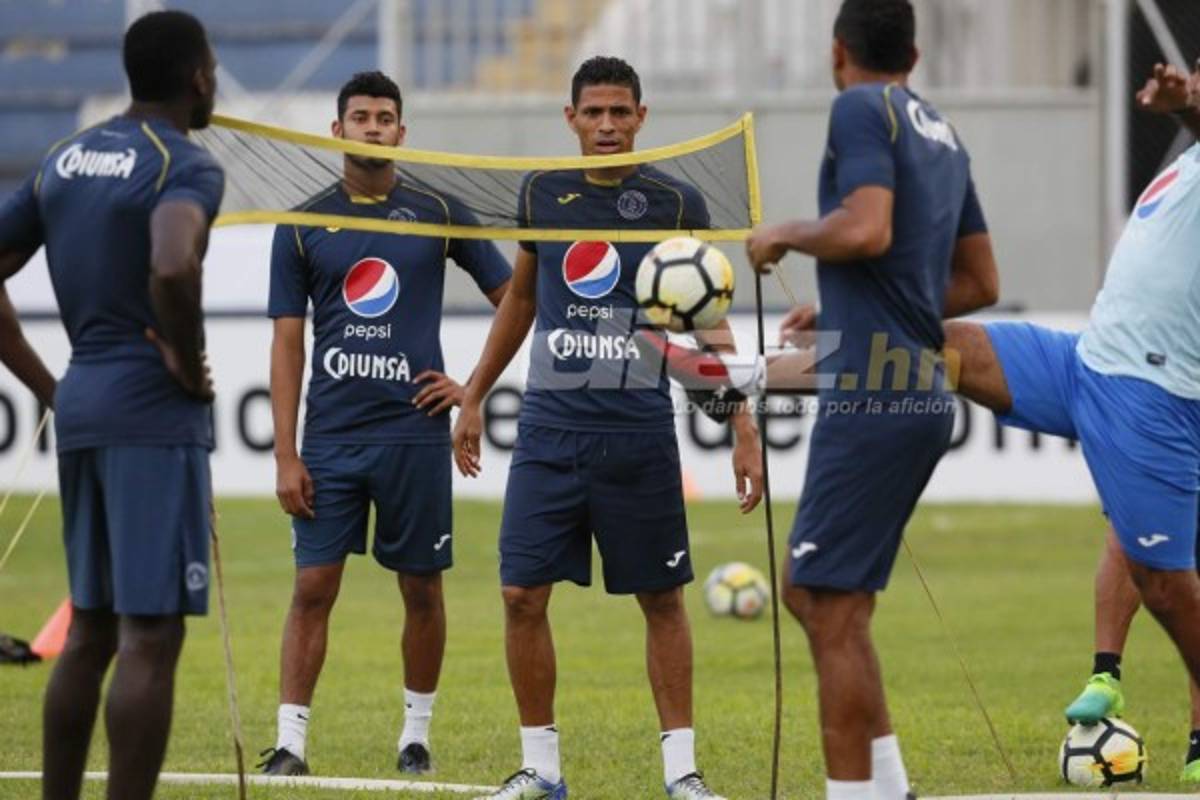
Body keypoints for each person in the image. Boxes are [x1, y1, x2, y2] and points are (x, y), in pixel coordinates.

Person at [452, 55, 763, 800]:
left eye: (621, 111)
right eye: (593, 112)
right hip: (548, 432)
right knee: (520, 595)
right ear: (571, 119)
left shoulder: (675, 202)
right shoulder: (541, 192)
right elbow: (521, 300)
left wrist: (742, 422)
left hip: (638, 433)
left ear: (641, 117)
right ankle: (541, 769)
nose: (607, 125)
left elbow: (705, 317)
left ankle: (682, 775)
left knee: (662, 600)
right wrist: (473, 393)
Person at [744, 1, 999, 798]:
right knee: (815, 593)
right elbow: (980, 282)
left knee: (828, 604)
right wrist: (847, 308)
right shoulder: (942, 131)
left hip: (878, 394)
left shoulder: (860, 107)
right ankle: (889, 787)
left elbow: (866, 230)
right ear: (914, 56)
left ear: (837, 51)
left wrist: (784, 232)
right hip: (915, 383)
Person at [942, 59, 1200, 781]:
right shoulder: (1185, 166)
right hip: (1085, 362)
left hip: (1155, 396)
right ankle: (1106, 674)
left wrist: (1185, 105)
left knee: (1168, 582)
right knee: (936, 343)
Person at [258, 71, 511, 777]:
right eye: (361, 117)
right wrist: (285, 454)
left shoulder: (439, 210)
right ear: (337, 130)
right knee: (313, 588)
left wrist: (473, 390)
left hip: (414, 436)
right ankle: (291, 745)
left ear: (402, 131)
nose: (373, 127)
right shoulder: (302, 223)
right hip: (331, 440)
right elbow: (287, 343)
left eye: (385, 118)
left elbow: (515, 298)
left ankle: (415, 738)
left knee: (422, 589)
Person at [0, 11, 223, 800]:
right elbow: (172, 262)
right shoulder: (183, 163)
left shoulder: (65, 157)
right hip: (150, 412)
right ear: (198, 77)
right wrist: (186, 360)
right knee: (150, 634)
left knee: (90, 630)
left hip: (84, 399)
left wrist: (47, 387)